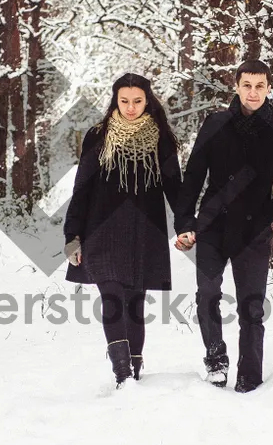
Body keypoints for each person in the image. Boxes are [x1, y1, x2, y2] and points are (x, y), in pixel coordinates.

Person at [173, 60, 273, 393]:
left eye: (260, 86)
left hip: (254, 230)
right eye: (247, 85)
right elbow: (193, 177)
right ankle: (216, 361)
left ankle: (249, 377)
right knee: (206, 296)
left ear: (269, 88)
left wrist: (266, 214)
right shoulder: (216, 124)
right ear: (236, 86)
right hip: (214, 225)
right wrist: (185, 223)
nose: (253, 92)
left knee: (252, 307)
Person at [63, 73, 183, 387]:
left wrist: (186, 225)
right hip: (101, 230)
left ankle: (135, 366)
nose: (130, 108)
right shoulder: (98, 136)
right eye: (124, 101)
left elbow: (175, 188)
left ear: (148, 101)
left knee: (134, 302)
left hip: (145, 231)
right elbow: (82, 189)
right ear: (115, 100)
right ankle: (122, 375)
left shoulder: (162, 139)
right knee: (112, 297)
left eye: (137, 101)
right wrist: (72, 236)